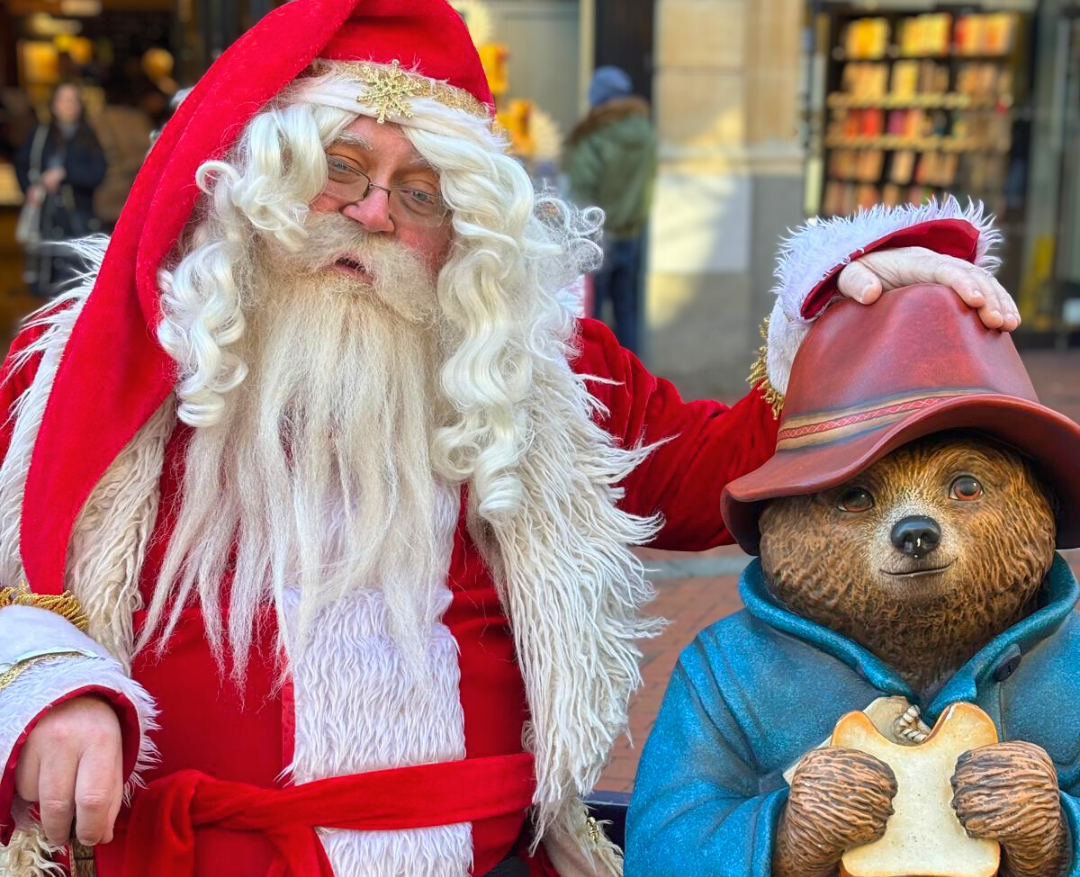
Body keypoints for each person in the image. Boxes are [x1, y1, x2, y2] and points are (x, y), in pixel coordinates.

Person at [0, 1, 1018, 875]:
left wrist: (854, 312)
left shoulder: (539, 372)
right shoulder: (100, 364)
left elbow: (728, 474)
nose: (371, 213)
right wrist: (47, 687)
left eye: (420, 193)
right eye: (339, 166)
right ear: (263, 177)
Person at [565, 66, 656, 354]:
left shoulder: (594, 136)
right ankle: (633, 380)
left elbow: (581, 191)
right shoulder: (645, 134)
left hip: (597, 237)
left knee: (591, 312)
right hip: (633, 232)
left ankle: (596, 380)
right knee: (627, 309)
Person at [14, 83, 107, 298]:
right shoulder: (39, 135)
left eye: (73, 100)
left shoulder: (88, 136)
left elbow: (98, 174)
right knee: (47, 274)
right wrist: (29, 188)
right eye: (63, 100)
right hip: (46, 215)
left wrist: (66, 174)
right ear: (53, 105)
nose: (68, 105)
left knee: (77, 274)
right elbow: (22, 165)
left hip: (79, 216)